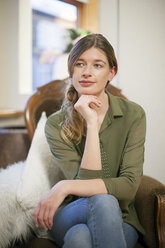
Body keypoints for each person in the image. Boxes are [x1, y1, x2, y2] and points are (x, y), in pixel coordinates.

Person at [34, 33, 146, 248]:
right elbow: (84, 190)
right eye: (80, 64)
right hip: (72, 211)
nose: (86, 72)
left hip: (122, 217)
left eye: (97, 65)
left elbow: (130, 186)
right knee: (103, 200)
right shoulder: (56, 124)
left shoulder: (134, 114)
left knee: (80, 238)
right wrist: (91, 124)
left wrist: (64, 186)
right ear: (71, 71)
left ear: (111, 73)